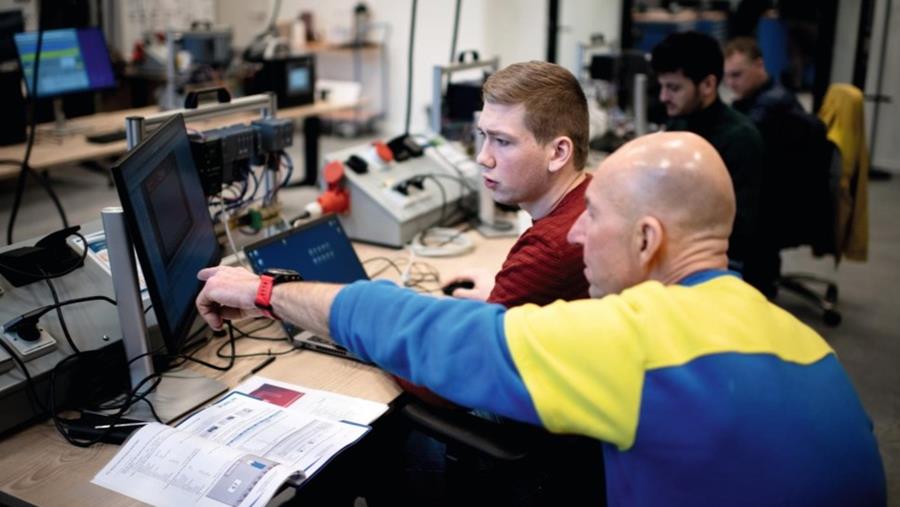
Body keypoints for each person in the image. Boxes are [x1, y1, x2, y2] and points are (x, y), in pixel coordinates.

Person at [197, 132, 886, 506]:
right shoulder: (803, 340)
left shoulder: (639, 340)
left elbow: (415, 328)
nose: (578, 235)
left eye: (596, 216)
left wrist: (261, 292)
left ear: (648, 241)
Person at [446, 60, 591, 307]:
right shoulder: (593, 195)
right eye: (484, 136)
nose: (483, 157)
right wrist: (506, 290)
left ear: (558, 153)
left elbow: (469, 339)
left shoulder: (547, 251)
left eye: (502, 141)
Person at [650, 31, 766, 291]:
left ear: (708, 85)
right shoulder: (678, 123)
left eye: (674, 88)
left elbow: (738, 231)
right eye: (662, 86)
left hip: (716, 262)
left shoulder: (740, 139)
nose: (663, 97)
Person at [724, 36, 832, 297]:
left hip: (778, 209)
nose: (730, 83)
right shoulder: (766, 96)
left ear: (759, 65)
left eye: (737, 75)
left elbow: (740, 142)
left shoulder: (772, 105)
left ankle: (753, 290)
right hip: (779, 197)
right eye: (727, 76)